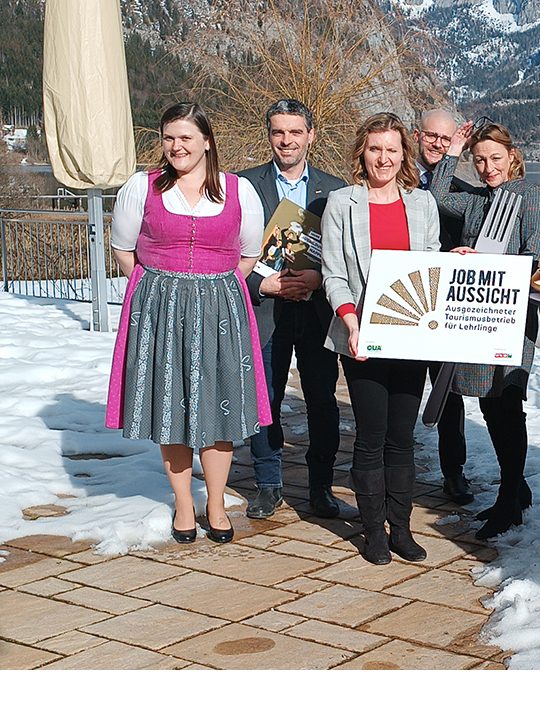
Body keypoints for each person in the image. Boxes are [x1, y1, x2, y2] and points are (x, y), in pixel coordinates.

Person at [106, 101, 269, 545]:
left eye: (186, 138)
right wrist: (162, 288)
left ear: (206, 142)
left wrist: (212, 290)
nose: (177, 147)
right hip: (160, 308)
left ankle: (214, 502)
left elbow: (249, 254)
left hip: (221, 309)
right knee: (171, 407)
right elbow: (123, 248)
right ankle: (182, 503)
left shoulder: (239, 191)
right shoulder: (142, 187)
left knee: (221, 407)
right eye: (169, 138)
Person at [321, 112, 442, 565]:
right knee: (370, 435)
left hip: (410, 337)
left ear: (403, 155)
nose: (384, 158)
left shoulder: (422, 205)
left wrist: (456, 261)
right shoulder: (342, 203)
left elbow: (430, 268)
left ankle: (402, 528)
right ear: (362, 153)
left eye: (392, 149)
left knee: (402, 437)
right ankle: (373, 531)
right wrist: (350, 321)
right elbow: (333, 273)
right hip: (361, 336)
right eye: (375, 149)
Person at [429, 120, 540, 541]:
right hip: (478, 316)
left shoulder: (529, 196)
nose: (487, 167)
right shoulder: (476, 201)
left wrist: (480, 258)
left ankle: (509, 499)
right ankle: (515, 491)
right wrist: (453, 151)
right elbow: (436, 196)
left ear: (512, 156)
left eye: (495, 158)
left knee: (508, 404)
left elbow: (535, 252)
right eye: (479, 160)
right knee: (490, 406)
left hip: (513, 318)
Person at [239, 99, 349, 521]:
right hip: (265, 308)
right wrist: (259, 283)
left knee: (322, 401)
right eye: (278, 132)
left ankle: (321, 487)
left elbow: (346, 252)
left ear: (311, 136)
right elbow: (228, 250)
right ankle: (268, 484)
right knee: (264, 399)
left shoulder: (336, 189)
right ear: (269, 135)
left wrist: (319, 278)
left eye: (295, 132)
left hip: (317, 310)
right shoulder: (244, 186)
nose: (286, 140)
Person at [415, 107, 474, 505]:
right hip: (404, 300)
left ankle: (454, 472)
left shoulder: (463, 191)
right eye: (432, 136)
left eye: (446, 139)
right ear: (417, 135)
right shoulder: (395, 179)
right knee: (399, 391)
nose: (438, 144)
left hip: (445, 305)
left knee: (448, 393)